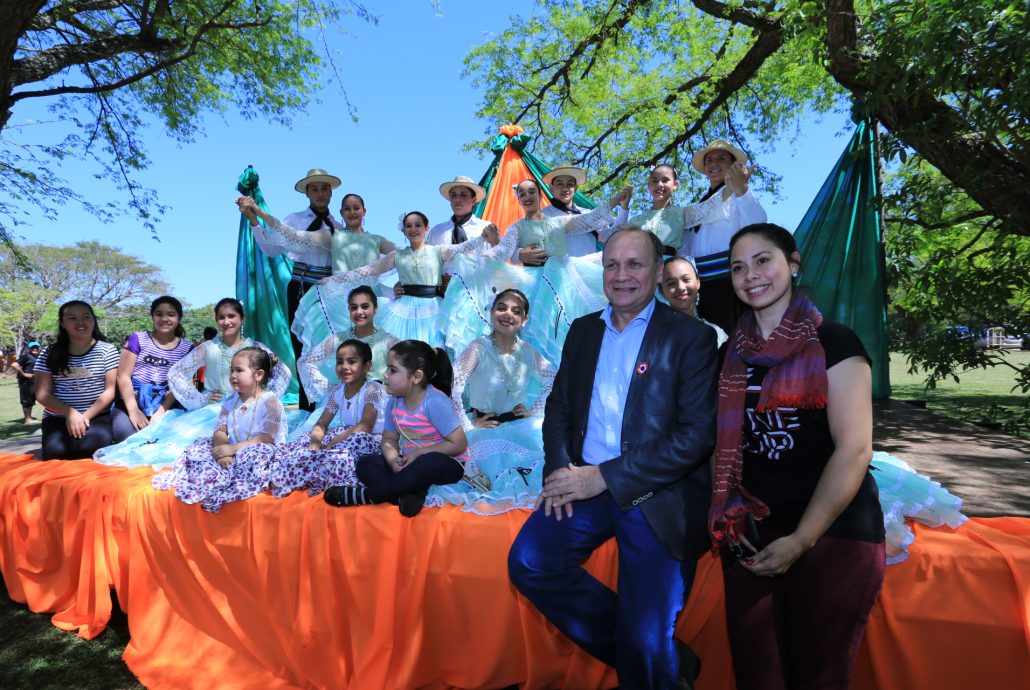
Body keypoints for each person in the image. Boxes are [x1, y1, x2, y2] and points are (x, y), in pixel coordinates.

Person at [508, 226, 718, 689]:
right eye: (612, 265)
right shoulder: (583, 331)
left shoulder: (692, 337)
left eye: (635, 264)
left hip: (658, 491)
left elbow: (696, 437)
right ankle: (660, 658)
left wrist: (604, 477)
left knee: (645, 638)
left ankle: (651, 655)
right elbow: (560, 407)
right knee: (530, 562)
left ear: (658, 272)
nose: (622, 275)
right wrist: (560, 471)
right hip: (584, 483)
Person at [710, 223, 884, 690]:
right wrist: (728, 513)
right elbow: (721, 445)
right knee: (758, 674)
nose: (750, 275)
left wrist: (802, 539)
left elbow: (855, 449)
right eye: (738, 268)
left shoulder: (836, 342)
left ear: (793, 264)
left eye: (763, 260)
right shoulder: (730, 355)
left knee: (817, 676)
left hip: (832, 535)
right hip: (752, 535)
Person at [93, 298, 292, 468]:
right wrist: (200, 398)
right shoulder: (208, 348)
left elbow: (283, 373)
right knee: (186, 448)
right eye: (221, 317)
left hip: (248, 408)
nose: (227, 321)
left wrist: (261, 395)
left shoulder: (255, 347)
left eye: (232, 316)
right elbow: (177, 373)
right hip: (215, 408)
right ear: (216, 320)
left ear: (242, 319)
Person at [430, 289, 556, 514]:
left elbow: (552, 378)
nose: (508, 314)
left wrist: (535, 411)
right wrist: (468, 426)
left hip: (520, 426)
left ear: (524, 320)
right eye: (501, 308)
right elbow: (453, 386)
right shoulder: (478, 348)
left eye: (516, 311)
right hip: (484, 428)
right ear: (491, 312)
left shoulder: (528, 351)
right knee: (488, 482)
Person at [490, 178, 632, 364]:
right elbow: (502, 251)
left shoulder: (559, 222)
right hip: (537, 291)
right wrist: (473, 258)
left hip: (564, 290)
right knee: (540, 340)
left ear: (540, 195)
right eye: (522, 194)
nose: (527, 196)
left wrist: (618, 199)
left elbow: (592, 218)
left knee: (570, 336)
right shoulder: (517, 227)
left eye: (531, 192)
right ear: (518, 200)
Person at [313, 211, 499, 348]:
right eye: (409, 226)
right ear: (403, 230)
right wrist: (331, 281)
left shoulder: (438, 251)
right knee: (401, 354)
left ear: (426, 228)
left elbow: (464, 247)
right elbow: (366, 271)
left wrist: (482, 237)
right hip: (403, 310)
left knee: (433, 354)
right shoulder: (397, 255)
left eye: (418, 225)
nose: (413, 229)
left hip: (433, 308)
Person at [246, 168, 342, 410]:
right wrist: (254, 221)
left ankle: (333, 405)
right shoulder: (294, 220)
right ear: (307, 193)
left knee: (331, 347)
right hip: (301, 287)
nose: (320, 193)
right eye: (314, 189)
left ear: (331, 192)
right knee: (303, 347)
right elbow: (270, 248)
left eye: (324, 188)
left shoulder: (338, 227)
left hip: (329, 292)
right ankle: (307, 407)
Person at [152, 347, 287, 513]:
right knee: (200, 446)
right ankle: (217, 474)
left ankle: (234, 479)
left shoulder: (270, 401)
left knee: (256, 455)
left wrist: (233, 449)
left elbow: (268, 437)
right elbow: (220, 431)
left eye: (239, 370)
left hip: (258, 449)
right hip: (232, 449)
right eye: (231, 370)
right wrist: (222, 451)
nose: (233, 375)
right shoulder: (230, 401)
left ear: (258, 375)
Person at [350, 340, 469, 517]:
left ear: (416, 377)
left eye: (392, 370)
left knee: (427, 463)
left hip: (445, 464)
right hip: (409, 463)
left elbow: (459, 444)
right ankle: (408, 492)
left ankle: (372, 495)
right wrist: (393, 461)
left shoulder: (435, 402)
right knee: (366, 464)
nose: (385, 374)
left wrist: (419, 454)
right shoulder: (393, 403)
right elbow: (389, 439)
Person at [272, 339, 385, 502]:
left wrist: (334, 442)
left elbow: (365, 426)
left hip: (368, 439)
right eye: (340, 362)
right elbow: (322, 423)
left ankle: (330, 477)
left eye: (352, 361)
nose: (344, 367)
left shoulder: (372, 388)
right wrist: (316, 441)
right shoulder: (338, 391)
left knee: (350, 444)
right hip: (347, 435)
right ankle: (299, 472)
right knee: (304, 442)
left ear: (367, 366)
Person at [679, 140, 768, 333]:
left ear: (733, 164)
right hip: (703, 287)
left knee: (741, 337)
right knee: (711, 339)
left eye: (721, 158)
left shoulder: (740, 194)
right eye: (709, 160)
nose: (714, 164)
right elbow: (684, 246)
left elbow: (758, 226)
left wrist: (742, 190)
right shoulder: (697, 208)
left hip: (734, 282)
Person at [33, 301, 124, 460]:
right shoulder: (49, 352)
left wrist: (84, 417)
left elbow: (110, 390)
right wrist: (71, 414)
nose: (80, 322)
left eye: (86, 317)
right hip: (57, 416)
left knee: (92, 451)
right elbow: (42, 394)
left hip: (96, 415)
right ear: (62, 323)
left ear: (93, 321)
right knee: (56, 453)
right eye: (72, 318)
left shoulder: (107, 350)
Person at [295, 286, 398, 405]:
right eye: (354, 308)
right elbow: (305, 362)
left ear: (375, 308)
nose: (359, 312)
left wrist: (385, 390)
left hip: (378, 407)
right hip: (345, 406)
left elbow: (406, 368)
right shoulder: (339, 338)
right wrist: (330, 389)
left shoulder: (387, 340)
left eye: (365, 307)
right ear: (349, 310)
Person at [111, 295, 194, 440]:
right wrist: (134, 411)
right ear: (152, 317)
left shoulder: (187, 349)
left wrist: (161, 412)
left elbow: (179, 385)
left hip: (166, 404)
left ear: (179, 318)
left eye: (171, 314)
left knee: (166, 439)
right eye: (159, 314)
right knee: (127, 437)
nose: (164, 319)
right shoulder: (137, 339)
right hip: (131, 400)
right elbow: (123, 376)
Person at [660, 256, 728, 347]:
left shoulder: (716, 332)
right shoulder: (658, 335)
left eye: (686, 279)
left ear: (698, 282)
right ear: (661, 292)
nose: (681, 287)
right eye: (671, 283)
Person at [541, 164, 601, 257]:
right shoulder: (542, 216)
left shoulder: (588, 213)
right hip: (556, 266)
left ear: (575, 188)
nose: (565, 188)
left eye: (570, 184)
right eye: (559, 183)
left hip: (587, 266)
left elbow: (609, 235)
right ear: (551, 187)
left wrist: (623, 208)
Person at [425, 176, 495, 246]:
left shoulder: (485, 228)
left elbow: (497, 251)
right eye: (453, 195)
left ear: (473, 200)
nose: (457, 199)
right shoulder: (436, 232)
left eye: (463, 195)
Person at [12, 341, 41, 424]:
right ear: (29, 348)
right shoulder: (26, 356)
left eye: (36, 347)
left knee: (31, 400)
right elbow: (14, 364)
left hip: (33, 382)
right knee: (26, 401)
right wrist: (24, 374)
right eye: (33, 347)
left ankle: (29, 418)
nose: (35, 349)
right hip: (26, 382)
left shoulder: (37, 356)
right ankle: (27, 419)